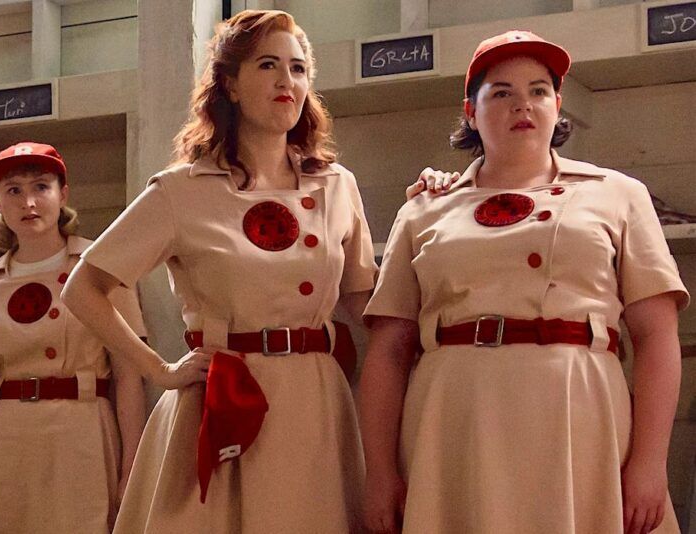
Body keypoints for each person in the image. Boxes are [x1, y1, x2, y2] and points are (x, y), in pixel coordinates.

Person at [62, 9, 390, 532]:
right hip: (221, 403)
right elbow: (83, 288)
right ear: (230, 85)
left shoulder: (336, 185)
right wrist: (159, 370)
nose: (287, 81)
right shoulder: (181, 190)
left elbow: (361, 302)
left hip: (315, 402)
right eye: (267, 65)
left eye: (298, 68)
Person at [358, 30, 688, 534]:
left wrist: (650, 461)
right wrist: (380, 472)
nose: (523, 105)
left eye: (538, 90)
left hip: (581, 417)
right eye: (502, 93)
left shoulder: (619, 195)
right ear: (470, 112)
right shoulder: (423, 209)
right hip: (455, 424)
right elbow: (387, 352)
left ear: (558, 105)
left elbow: (657, 335)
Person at [0, 142, 147, 534]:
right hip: (6, 443)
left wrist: (132, 472)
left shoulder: (101, 270)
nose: (28, 202)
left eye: (41, 186)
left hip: (84, 438)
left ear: (63, 194)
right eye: (13, 190)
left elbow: (129, 377)